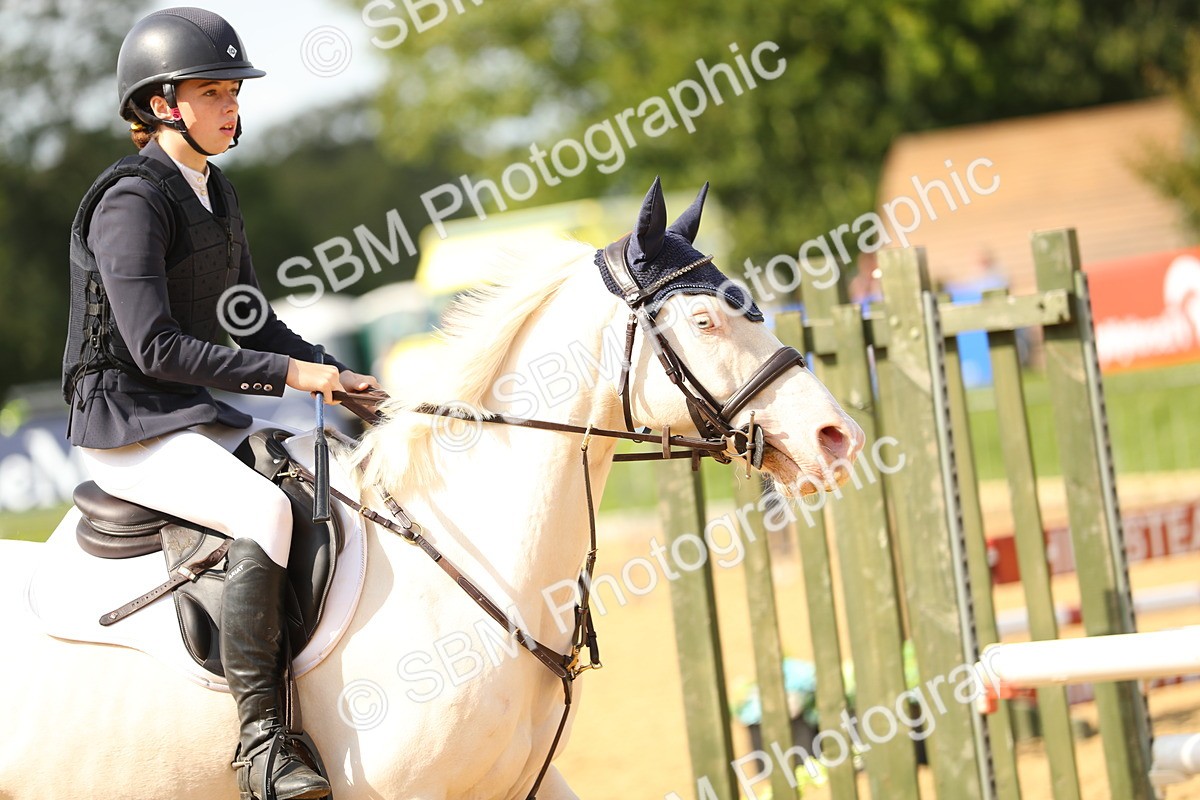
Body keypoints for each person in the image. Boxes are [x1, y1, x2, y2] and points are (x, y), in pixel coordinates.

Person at [61, 8, 377, 799]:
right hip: (124, 423)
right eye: (213, 93)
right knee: (263, 512)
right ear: (163, 104)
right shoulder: (131, 202)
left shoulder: (214, 190)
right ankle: (262, 746)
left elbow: (251, 320)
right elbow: (155, 349)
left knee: (321, 477)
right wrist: (292, 377)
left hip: (184, 415)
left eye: (234, 91)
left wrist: (343, 379)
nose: (232, 106)